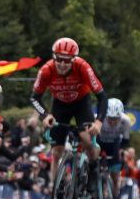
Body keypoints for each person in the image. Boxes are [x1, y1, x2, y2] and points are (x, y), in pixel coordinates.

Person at [30, 37, 108, 187]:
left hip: (81, 104)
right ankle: (56, 188)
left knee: (86, 139)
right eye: (59, 59)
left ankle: (93, 168)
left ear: (74, 59)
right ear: (54, 57)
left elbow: (102, 96)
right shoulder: (46, 70)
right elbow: (34, 98)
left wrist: (98, 122)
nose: (62, 64)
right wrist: (45, 115)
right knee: (56, 151)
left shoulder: (82, 67)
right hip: (60, 105)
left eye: (67, 60)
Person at [97, 97, 130, 199]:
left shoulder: (126, 121)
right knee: (93, 163)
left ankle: (113, 196)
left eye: (115, 119)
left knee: (116, 176)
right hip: (99, 142)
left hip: (114, 146)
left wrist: (122, 155)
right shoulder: (98, 117)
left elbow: (125, 142)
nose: (112, 122)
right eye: (109, 119)